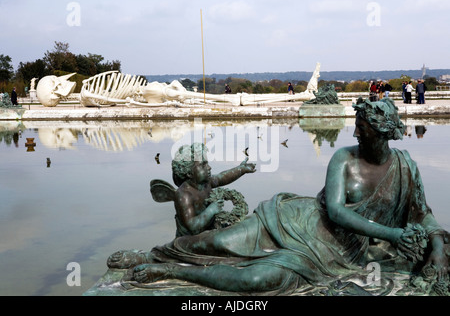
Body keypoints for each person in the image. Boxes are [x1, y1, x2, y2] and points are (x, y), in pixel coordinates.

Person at [108, 98, 448, 294]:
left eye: (363, 126)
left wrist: (436, 249)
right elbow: (336, 211)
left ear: (384, 131)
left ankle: (171, 271)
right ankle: (150, 256)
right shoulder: (343, 159)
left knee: (257, 280)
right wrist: (393, 234)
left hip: (334, 256)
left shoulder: (405, 166)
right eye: (356, 123)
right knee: (213, 242)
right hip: (295, 222)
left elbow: (422, 214)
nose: (355, 130)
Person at [169, 143, 256, 237]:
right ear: (189, 173)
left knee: (244, 226)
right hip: (189, 239)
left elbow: (223, 177)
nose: (209, 167)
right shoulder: (184, 195)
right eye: (203, 165)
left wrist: (241, 169)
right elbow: (192, 226)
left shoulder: (206, 183)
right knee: (224, 240)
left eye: (207, 163)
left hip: (209, 230)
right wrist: (211, 210)